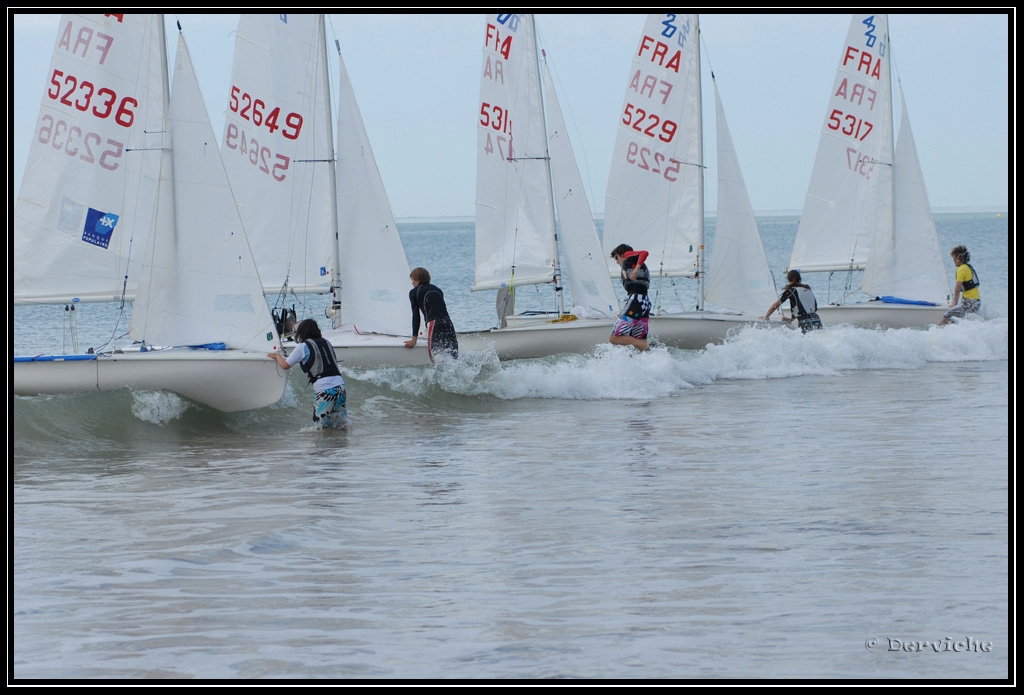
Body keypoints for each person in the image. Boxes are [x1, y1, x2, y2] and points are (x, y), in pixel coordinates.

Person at [268, 319, 347, 427]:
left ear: (302, 332)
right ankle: (344, 442)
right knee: (341, 423)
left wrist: (277, 356)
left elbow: (285, 365)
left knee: (319, 427)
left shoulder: (303, 347)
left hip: (325, 389)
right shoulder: (326, 342)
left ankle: (322, 443)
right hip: (340, 387)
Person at [404, 267, 458, 362]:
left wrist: (414, 339)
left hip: (435, 325)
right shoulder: (438, 289)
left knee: (435, 360)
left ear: (417, 279)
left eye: (412, 280)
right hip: (448, 323)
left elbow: (416, 316)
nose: (412, 283)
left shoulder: (414, 292)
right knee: (454, 359)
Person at [609, 243, 653, 351]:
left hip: (637, 302)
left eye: (616, 257)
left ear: (622, 255)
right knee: (637, 342)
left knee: (614, 338)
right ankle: (653, 356)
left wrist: (636, 269)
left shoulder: (628, 256)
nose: (616, 261)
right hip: (644, 303)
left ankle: (650, 348)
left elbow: (644, 252)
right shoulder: (632, 263)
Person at [940, 245, 981, 325]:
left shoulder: (961, 269)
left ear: (961, 258)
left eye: (955, 258)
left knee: (947, 314)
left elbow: (957, 289)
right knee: (958, 317)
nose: (954, 260)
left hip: (970, 303)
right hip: (976, 303)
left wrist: (954, 304)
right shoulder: (968, 267)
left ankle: (940, 330)